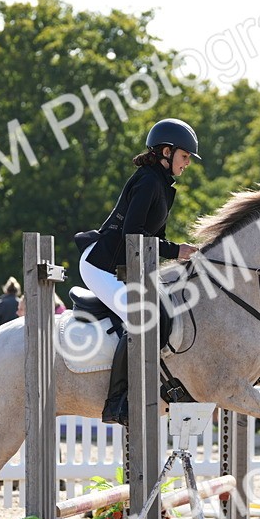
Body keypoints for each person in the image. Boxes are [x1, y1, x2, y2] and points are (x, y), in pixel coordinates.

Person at [74, 118, 200, 425]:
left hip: (127, 267)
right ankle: (117, 401)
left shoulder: (163, 186)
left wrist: (179, 262)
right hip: (101, 266)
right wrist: (176, 250)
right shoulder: (147, 180)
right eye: (185, 157)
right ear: (166, 152)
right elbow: (133, 233)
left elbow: (153, 240)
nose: (187, 164)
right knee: (140, 317)